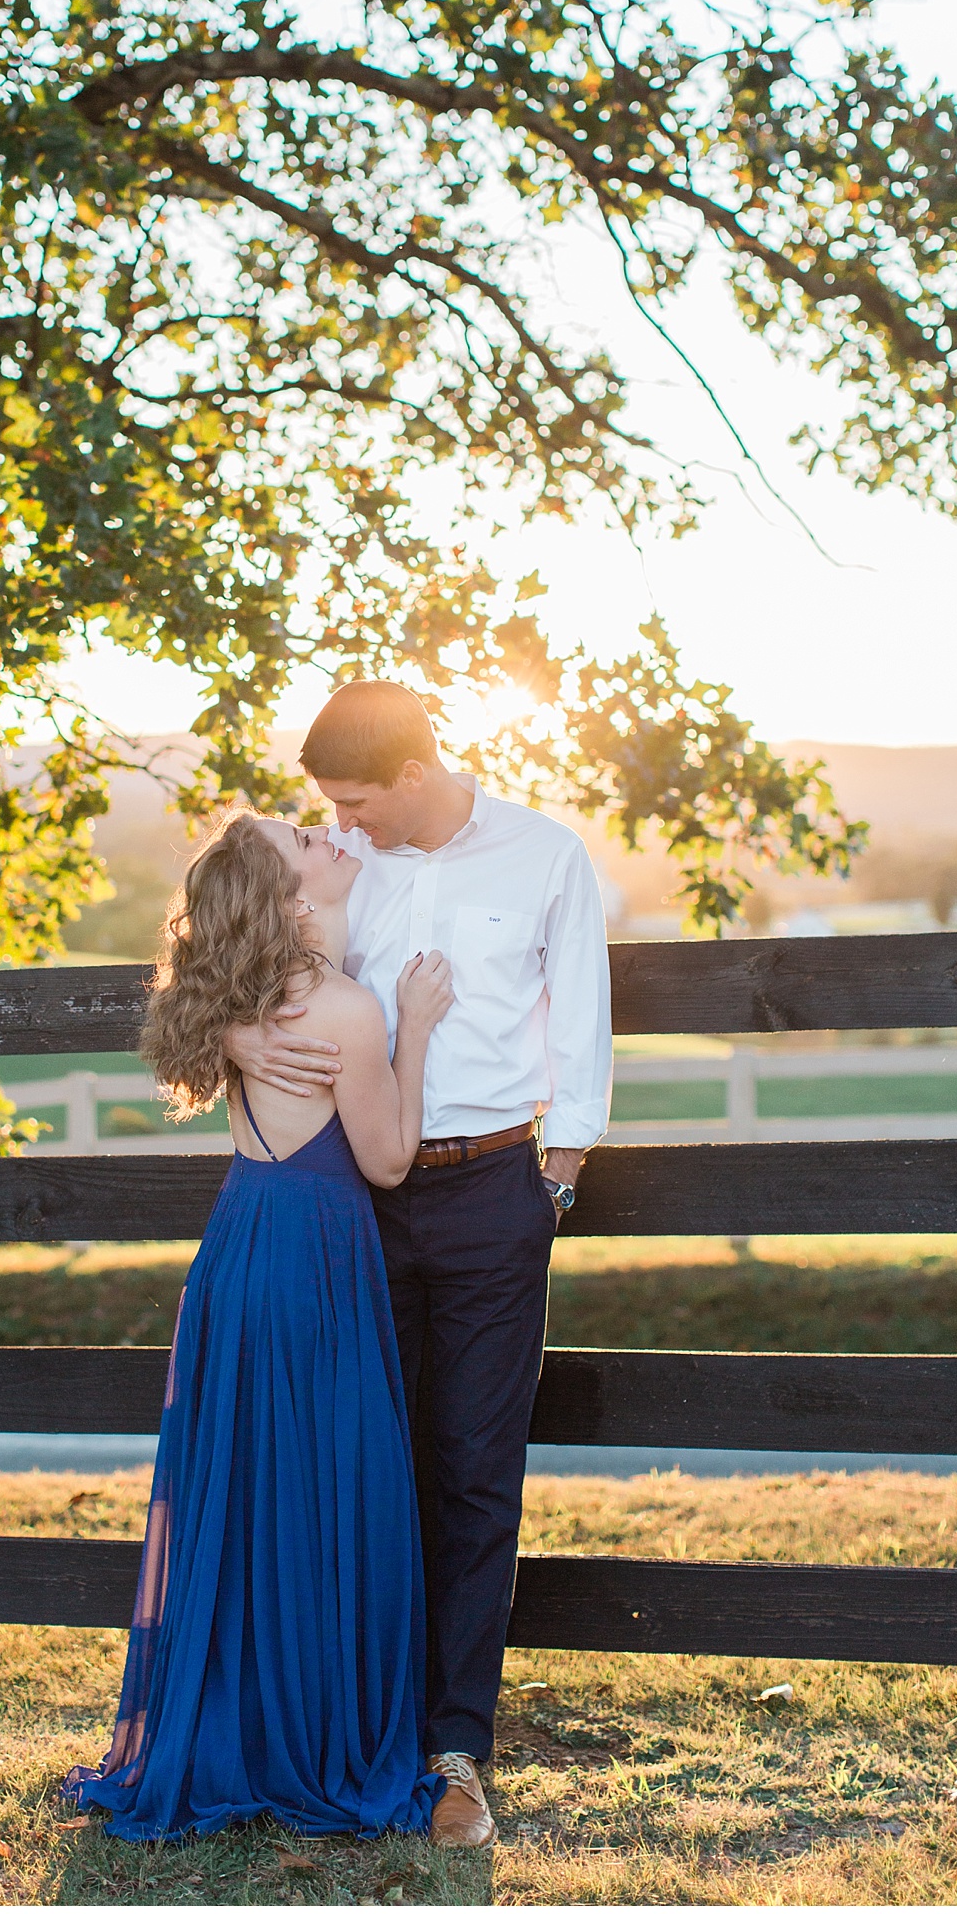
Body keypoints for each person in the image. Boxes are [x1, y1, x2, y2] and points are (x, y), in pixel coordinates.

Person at [227, 681, 613, 1848]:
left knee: (476, 1472)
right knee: (364, 1464)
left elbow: (582, 1022)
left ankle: (456, 1755)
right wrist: (242, 1032)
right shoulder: (339, 861)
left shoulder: (546, 854)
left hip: (498, 1193)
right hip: (357, 1203)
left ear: (411, 770)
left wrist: (556, 1179)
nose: (335, 815)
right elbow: (233, 957)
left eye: (351, 795)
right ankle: (362, 1729)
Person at [64, 805, 456, 1842]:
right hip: (319, 1259)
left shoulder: (233, 998)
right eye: (302, 839)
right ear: (288, 899)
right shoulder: (345, 1008)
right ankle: (308, 1737)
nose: (320, 832)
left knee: (240, 1492)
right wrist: (413, 1029)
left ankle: (231, 1723)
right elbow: (387, 1160)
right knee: (328, 1484)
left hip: (239, 1248)